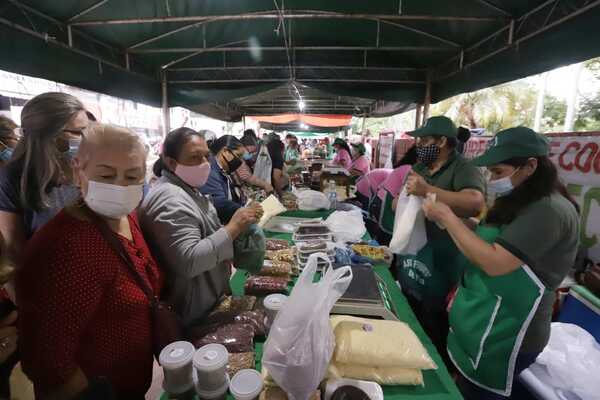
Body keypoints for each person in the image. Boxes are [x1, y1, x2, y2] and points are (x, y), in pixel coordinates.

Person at [422, 127, 579, 399]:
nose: (491, 179)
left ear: (530, 166)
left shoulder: (549, 210)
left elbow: (495, 261)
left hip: (506, 331)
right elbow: (485, 237)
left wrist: (448, 218)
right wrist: (455, 223)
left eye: (498, 172)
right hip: (481, 318)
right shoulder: (518, 201)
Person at [18, 124, 160, 399]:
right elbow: (48, 360)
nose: (120, 188)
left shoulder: (125, 217)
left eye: (132, 176)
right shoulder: (63, 248)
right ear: (77, 170)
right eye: (106, 176)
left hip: (132, 382)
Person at [138, 128, 260, 326]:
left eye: (206, 156)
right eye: (195, 157)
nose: (204, 164)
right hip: (191, 312)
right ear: (170, 162)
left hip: (205, 299)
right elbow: (190, 260)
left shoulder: (185, 188)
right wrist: (233, 228)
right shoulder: (170, 199)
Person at [395, 116, 486, 364]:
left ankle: (435, 368)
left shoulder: (463, 168)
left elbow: (474, 203)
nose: (420, 145)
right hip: (415, 254)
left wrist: (428, 192)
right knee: (410, 310)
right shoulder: (421, 168)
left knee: (435, 321)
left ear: (443, 141)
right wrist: (402, 200)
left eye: (425, 140)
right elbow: (397, 201)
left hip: (445, 258)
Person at [0, 92, 89, 265]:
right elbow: (14, 253)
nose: (86, 139)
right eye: (77, 132)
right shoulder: (12, 179)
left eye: (87, 131)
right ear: (49, 136)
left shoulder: (85, 169)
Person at [200, 135, 249, 224]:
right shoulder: (210, 171)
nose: (241, 161)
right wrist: (245, 211)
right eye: (238, 156)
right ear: (225, 151)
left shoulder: (225, 171)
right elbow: (218, 203)